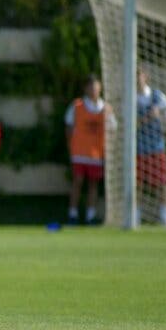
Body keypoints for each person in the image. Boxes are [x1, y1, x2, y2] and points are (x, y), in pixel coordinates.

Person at [64, 74, 116, 224]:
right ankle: (72, 214)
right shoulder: (77, 106)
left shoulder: (105, 108)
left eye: (96, 87)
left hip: (96, 154)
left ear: (100, 88)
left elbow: (113, 128)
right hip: (79, 152)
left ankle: (90, 216)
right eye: (91, 87)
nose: (94, 90)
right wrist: (70, 146)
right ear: (86, 89)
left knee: (93, 184)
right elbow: (68, 126)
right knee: (78, 182)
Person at [136, 67, 166, 226]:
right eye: (135, 75)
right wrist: (148, 117)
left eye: (140, 75)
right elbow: (131, 124)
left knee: (162, 183)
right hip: (139, 147)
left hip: (156, 145)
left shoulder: (156, 95)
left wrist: (162, 112)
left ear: (146, 76)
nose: (138, 78)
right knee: (138, 184)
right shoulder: (132, 98)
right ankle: (136, 216)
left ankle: (164, 216)